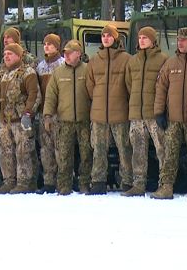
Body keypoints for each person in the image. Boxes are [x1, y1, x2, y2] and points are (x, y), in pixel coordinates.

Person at [151, 27, 187, 200]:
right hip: (172, 119)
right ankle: (166, 186)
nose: (179, 43)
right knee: (169, 154)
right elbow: (161, 88)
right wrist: (159, 112)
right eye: (178, 40)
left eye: (184, 40)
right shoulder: (171, 63)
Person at [86, 24, 133, 195]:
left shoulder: (126, 59)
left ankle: (128, 181)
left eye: (109, 35)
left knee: (125, 149)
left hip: (120, 113)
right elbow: (90, 87)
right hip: (98, 114)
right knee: (98, 149)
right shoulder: (94, 60)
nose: (105, 38)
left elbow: (130, 86)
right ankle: (98, 182)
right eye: (103, 36)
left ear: (115, 38)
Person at [0, 42, 41, 194]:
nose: (6, 57)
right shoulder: (1, 73)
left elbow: (35, 95)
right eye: (5, 54)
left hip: (20, 121)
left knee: (23, 151)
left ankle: (25, 182)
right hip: (4, 121)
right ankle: (9, 181)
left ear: (18, 56)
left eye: (10, 54)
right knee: (5, 151)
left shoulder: (27, 72)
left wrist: (28, 114)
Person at [43, 40, 93, 195]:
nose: (66, 55)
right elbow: (51, 96)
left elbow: (94, 93)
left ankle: (84, 183)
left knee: (86, 154)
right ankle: (64, 185)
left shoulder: (87, 70)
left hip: (85, 120)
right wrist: (47, 115)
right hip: (64, 121)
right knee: (64, 155)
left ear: (78, 53)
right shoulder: (58, 72)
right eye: (65, 53)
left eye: (69, 52)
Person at [123, 26, 168, 196]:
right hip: (136, 114)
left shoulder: (163, 59)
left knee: (162, 150)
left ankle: (164, 183)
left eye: (145, 38)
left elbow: (165, 86)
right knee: (137, 151)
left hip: (154, 113)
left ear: (153, 40)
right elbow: (129, 85)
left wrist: (161, 110)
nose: (141, 40)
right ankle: (138, 184)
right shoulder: (133, 61)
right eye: (140, 37)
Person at [34, 34, 65, 193]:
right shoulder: (40, 66)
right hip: (43, 113)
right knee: (45, 150)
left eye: (50, 44)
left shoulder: (62, 64)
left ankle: (63, 180)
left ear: (57, 46)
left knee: (61, 149)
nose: (46, 46)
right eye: (44, 44)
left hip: (59, 113)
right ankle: (49, 181)